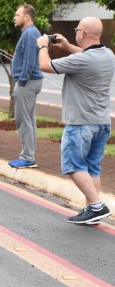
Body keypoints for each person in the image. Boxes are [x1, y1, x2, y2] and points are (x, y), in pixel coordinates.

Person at [35, 17, 113, 224]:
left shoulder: (82, 60)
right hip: (102, 122)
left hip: (81, 123)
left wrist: (43, 45)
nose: (76, 32)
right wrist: (69, 46)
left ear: (83, 34)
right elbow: (87, 56)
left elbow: (44, 65)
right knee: (92, 168)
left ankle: (96, 206)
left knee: (73, 165)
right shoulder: (107, 55)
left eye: (78, 29)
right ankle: (92, 211)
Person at [9, 3, 43, 168]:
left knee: (23, 121)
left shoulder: (29, 33)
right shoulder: (30, 33)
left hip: (27, 83)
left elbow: (29, 60)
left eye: (17, 14)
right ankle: (29, 156)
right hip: (30, 82)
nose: (14, 18)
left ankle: (28, 157)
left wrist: (21, 81)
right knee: (29, 120)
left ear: (26, 17)